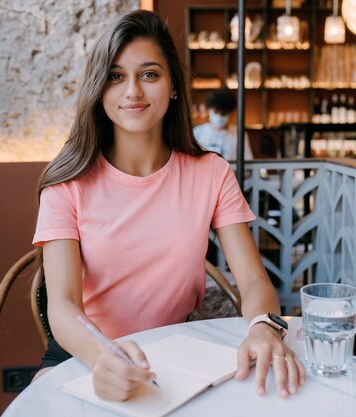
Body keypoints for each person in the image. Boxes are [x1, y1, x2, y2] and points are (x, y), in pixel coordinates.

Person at [32, 10, 305, 402]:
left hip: (178, 349)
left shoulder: (211, 173)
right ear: (99, 89)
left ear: (173, 85)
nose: (133, 92)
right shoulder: (66, 185)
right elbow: (62, 305)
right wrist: (102, 357)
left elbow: (252, 281)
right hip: (86, 352)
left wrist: (263, 326)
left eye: (149, 74)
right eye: (115, 76)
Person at [193, 89, 254, 160]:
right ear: (209, 110)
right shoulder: (197, 132)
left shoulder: (239, 134)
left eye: (223, 114)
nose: (219, 117)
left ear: (230, 113)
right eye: (216, 112)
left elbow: (248, 161)